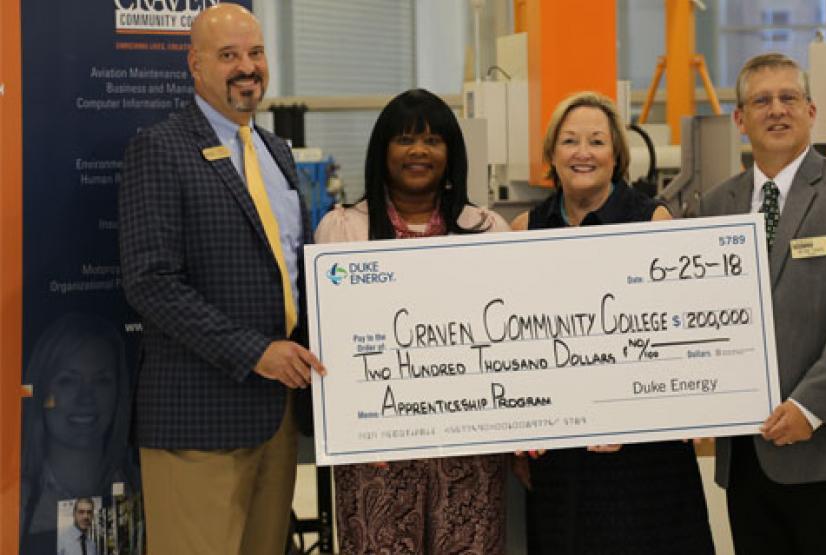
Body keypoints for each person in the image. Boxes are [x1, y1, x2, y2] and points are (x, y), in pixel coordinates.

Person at [118, 4, 325, 554]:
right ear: (195, 64)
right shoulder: (160, 149)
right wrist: (255, 351)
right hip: (198, 421)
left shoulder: (277, 152)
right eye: (228, 55)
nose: (246, 67)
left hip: (276, 417)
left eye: (255, 53)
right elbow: (151, 282)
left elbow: (290, 271)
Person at [702, 52, 826, 555]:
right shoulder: (716, 205)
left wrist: (809, 407)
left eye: (789, 97)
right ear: (740, 119)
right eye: (761, 100)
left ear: (810, 111)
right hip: (748, 455)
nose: (777, 110)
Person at [511, 91, 715, 554]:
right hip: (563, 462)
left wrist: (635, 415)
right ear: (551, 155)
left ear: (617, 155)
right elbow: (515, 349)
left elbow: (679, 336)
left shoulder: (654, 220)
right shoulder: (525, 229)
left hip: (646, 459)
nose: (583, 152)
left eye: (597, 141)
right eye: (569, 141)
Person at [314, 88, 512, 554]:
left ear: (451, 153)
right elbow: (332, 345)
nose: (419, 151)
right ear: (382, 150)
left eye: (433, 140)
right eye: (404, 139)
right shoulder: (343, 229)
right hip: (375, 453)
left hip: (471, 450)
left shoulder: (487, 229)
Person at [19, 313, 137, 553]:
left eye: (101, 381)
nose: (86, 398)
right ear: (42, 391)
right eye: (67, 381)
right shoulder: (17, 499)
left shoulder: (136, 486)